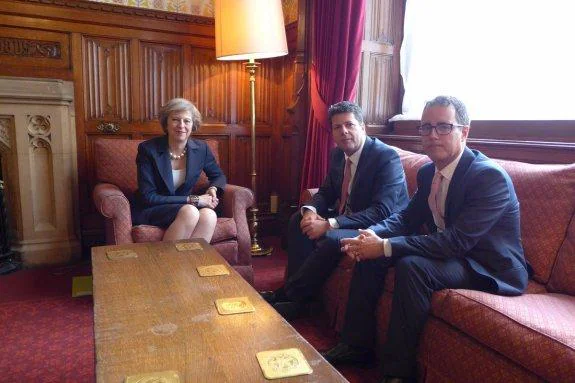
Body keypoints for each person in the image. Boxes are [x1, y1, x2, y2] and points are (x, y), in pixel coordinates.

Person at [324, 96, 530, 383]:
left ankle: (398, 373)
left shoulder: (487, 177)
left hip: (487, 265)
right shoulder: (428, 171)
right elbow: (406, 218)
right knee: (372, 256)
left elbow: (456, 242)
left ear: (464, 131)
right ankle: (356, 345)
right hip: (454, 253)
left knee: (412, 266)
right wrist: (374, 235)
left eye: (444, 127)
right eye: (426, 127)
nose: (433, 135)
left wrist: (384, 246)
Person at [262, 101, 409, 318]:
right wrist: (310, 211)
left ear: (362, 127)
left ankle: (293, 297)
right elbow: (326, 192)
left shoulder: (385, 157)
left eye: (349, 125)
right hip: (351, 217)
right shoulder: (338, 155)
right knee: (297, 220)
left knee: (333, 238)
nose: (344, 132)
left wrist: (330, 224)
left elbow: (382, 211)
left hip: (379, 226)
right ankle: (297, 296)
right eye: (337, 127)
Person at [132, 98, 226, 243]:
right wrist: (193, 200)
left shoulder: (201, 149)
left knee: (209, 214)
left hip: (185, 209)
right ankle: (169, 264)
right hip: (153, 209)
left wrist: (213, 188)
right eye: (175, 119)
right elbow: (148, 196)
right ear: (166, 123)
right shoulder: (148, 149)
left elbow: (218, 176)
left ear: (193, 124)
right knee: (190, 211)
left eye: (187, 121)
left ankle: (193, 263)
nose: (181, 125)